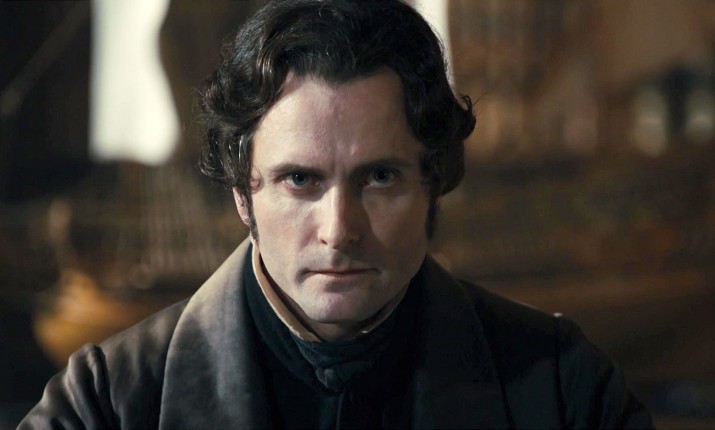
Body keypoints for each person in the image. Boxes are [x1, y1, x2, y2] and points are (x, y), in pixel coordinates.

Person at [21, 0, 654, 428]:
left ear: (433, 182)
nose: (340, 230)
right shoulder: (106, 403)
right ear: (242, 192)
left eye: (379, 178)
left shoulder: (565, 391)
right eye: (300, 180)